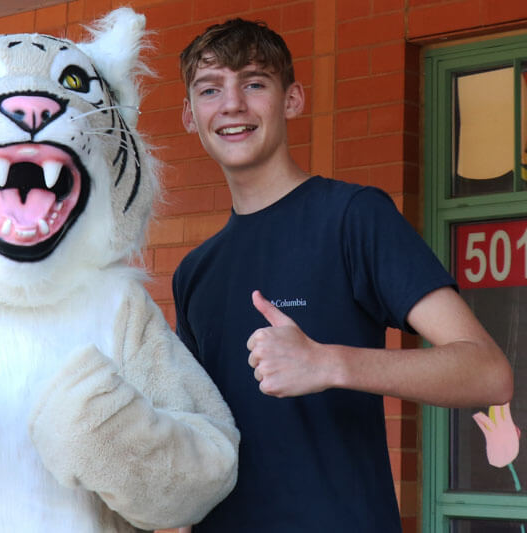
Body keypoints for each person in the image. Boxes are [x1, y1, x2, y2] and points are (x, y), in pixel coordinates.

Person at [170, 18, 514, 533]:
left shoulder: (353, 217)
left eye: (255, 83)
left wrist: (329, 363)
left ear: (293, 100)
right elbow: (192, 432)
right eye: (211, 89)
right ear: (190, 116)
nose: (233, 104)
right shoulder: (194, 271)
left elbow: (488, 372)